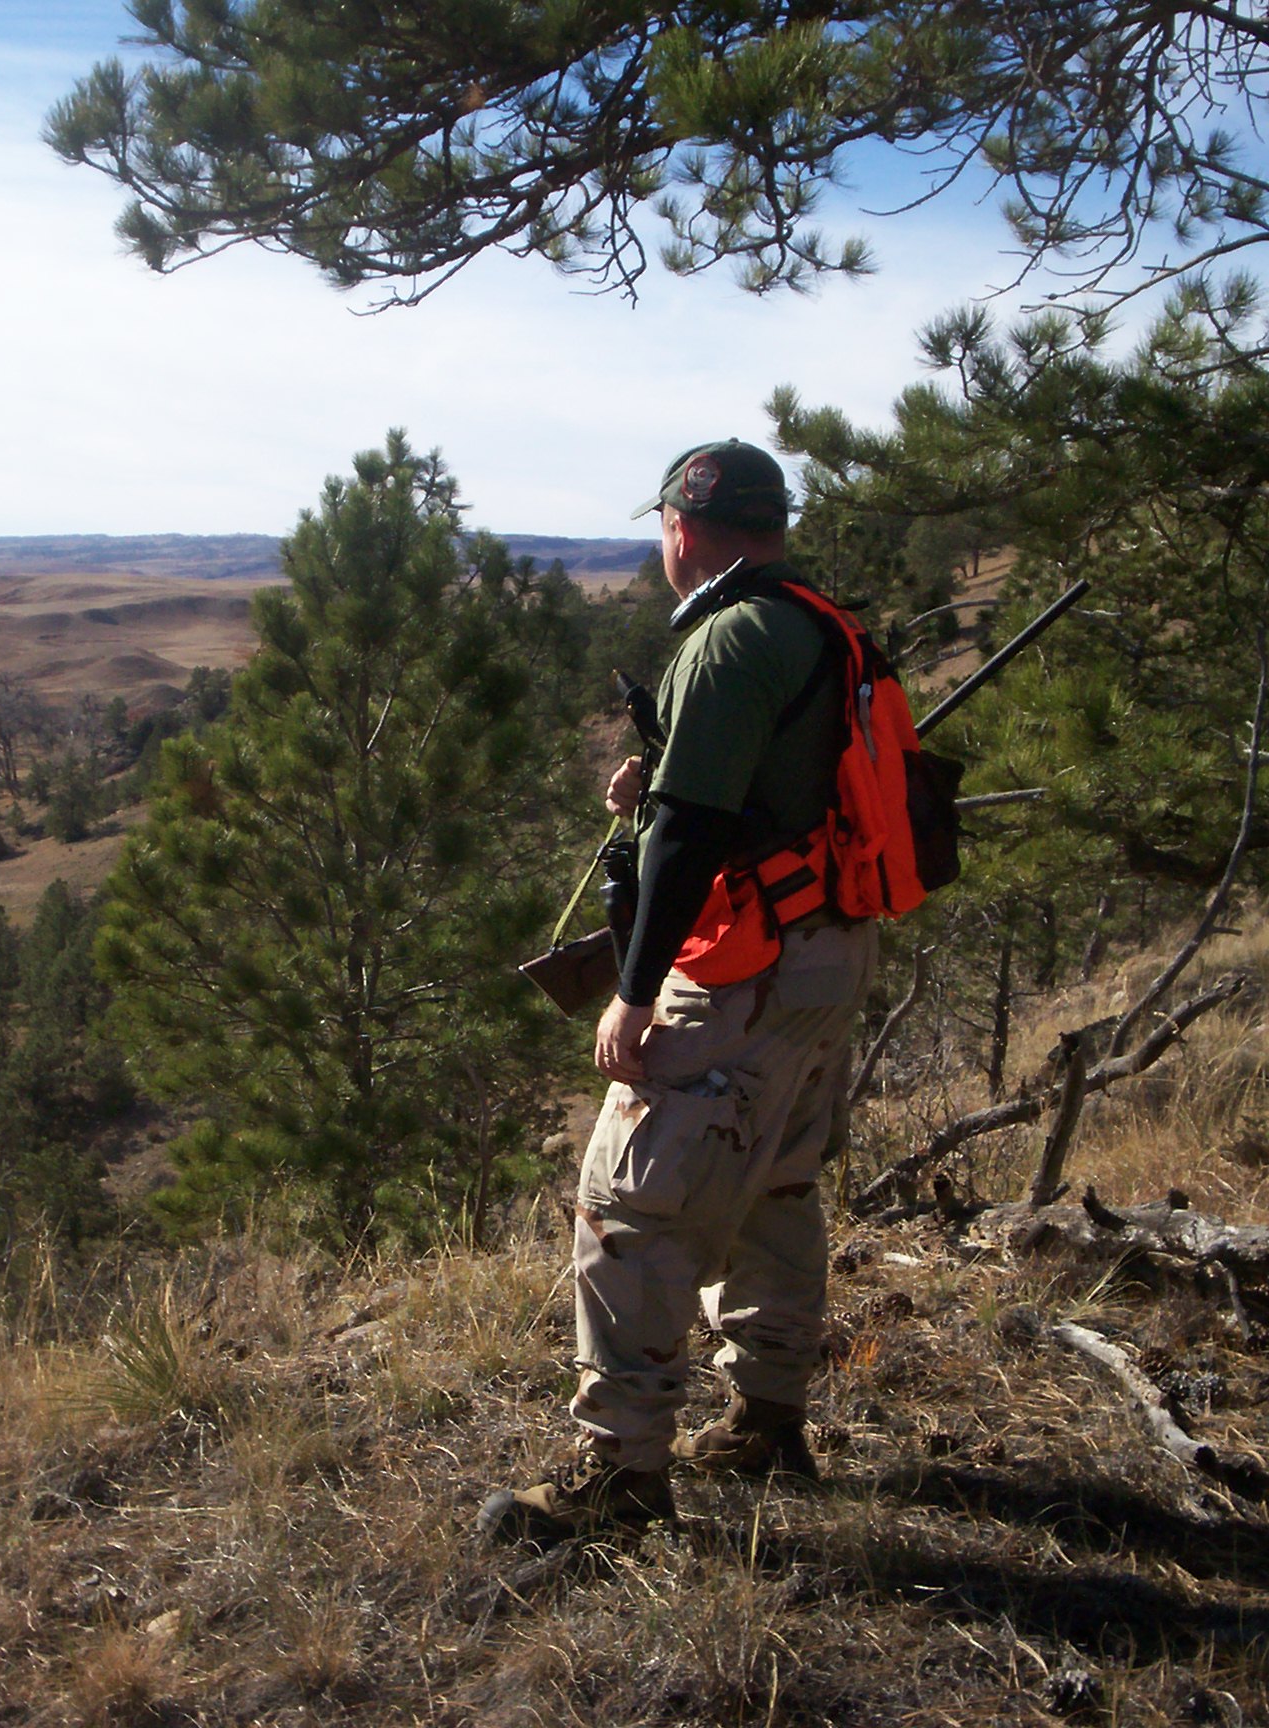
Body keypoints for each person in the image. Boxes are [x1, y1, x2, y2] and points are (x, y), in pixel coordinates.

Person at [482, 438, 888, 1548]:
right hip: (826, 950)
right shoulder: (817, 622)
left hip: (744, 965)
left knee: (634, 1206)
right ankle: (766, 1414)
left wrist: (633, 991)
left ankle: (618, 1474)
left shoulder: (727, 639)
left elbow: (695, 836)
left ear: (681, 526)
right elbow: (758, 788)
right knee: (778, 1182)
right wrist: (658, 779)